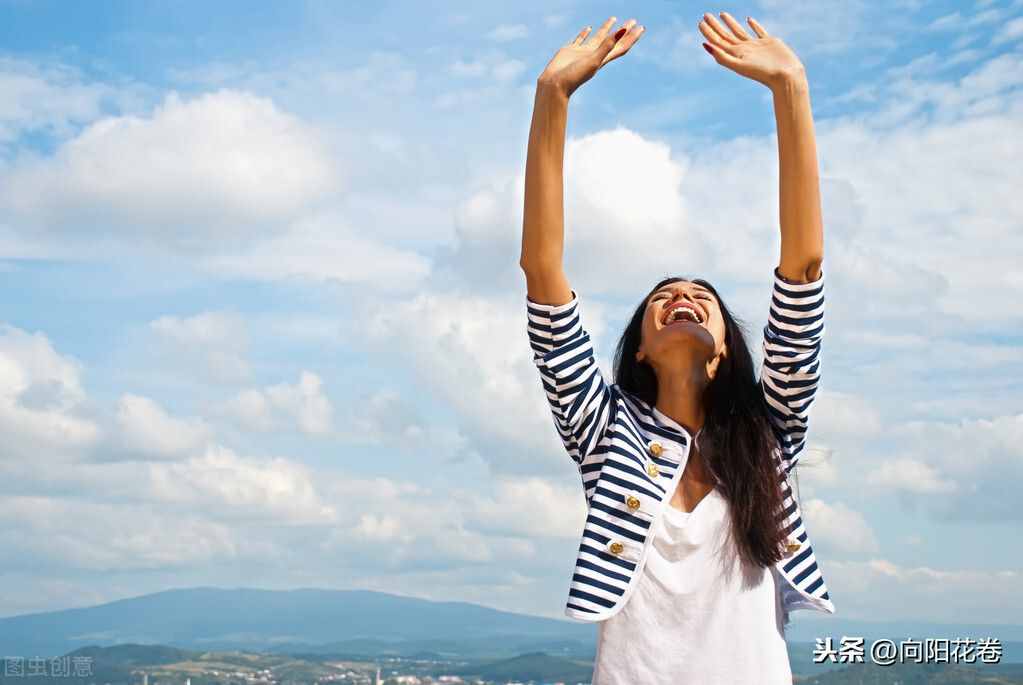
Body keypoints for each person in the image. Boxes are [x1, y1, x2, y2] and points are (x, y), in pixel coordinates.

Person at [519, 12, 835, 684]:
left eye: (703, 298)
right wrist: (552, 96)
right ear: (638, 348)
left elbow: (803, 270)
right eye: (662, 298)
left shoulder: (766, 429)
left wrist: (790, 90)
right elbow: (544, 278)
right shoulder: (605, 433)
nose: (682, 298)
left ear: (723, 350)